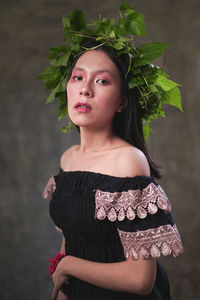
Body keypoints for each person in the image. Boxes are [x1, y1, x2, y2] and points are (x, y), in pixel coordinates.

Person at [41, 4, 183, 300]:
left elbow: (140, 280)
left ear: (122, 102)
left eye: (102, 81)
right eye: (78, 77)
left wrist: (69, 266)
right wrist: (64, 285)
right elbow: (72, 239)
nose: (85, 89)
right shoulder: (68, 159)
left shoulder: (128, 160)